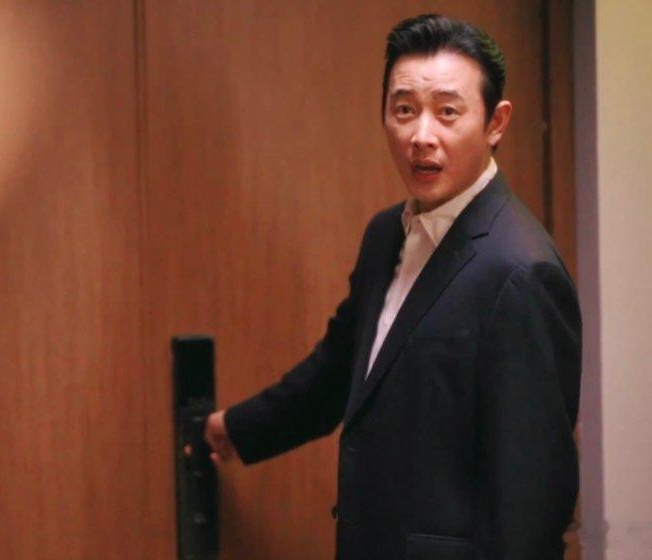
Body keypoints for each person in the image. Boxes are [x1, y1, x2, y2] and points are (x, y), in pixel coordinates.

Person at [189, 13, 581, 559]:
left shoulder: (521, 271)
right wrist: (236, 429)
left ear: (496, 123)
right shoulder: (386, 235)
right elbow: (341, 368)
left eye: (448, 112)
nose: (422, 136)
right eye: (405, 110)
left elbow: (532, 503)